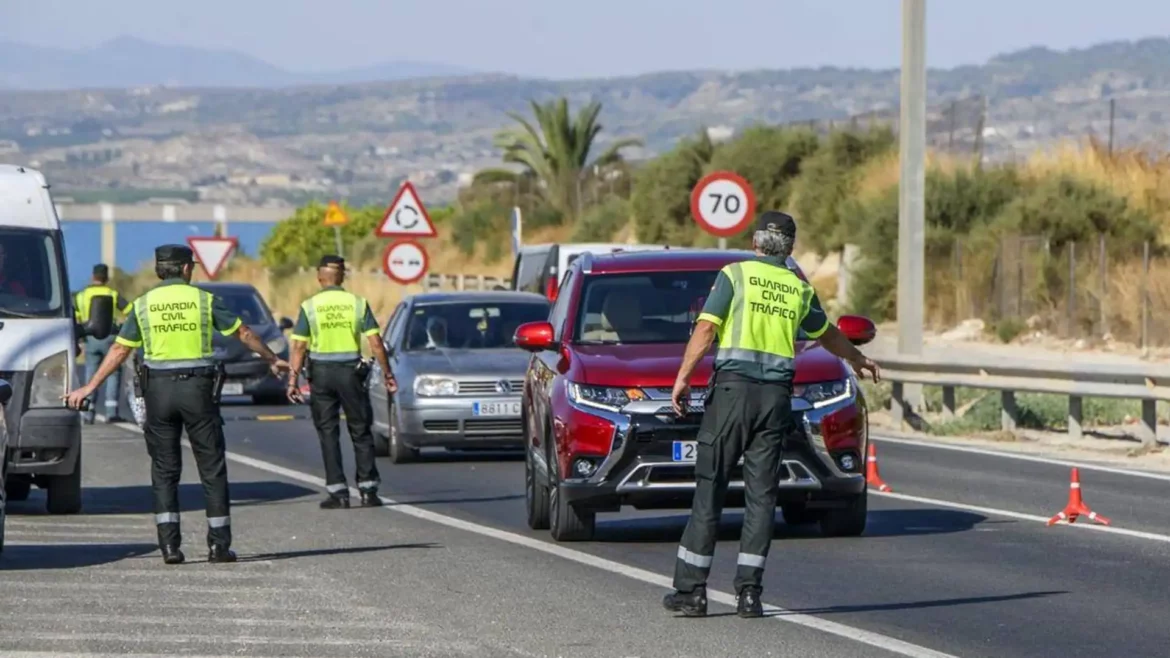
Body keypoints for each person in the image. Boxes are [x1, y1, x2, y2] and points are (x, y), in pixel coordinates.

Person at [662, 211, 881, 618]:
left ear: (755, 242)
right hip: (775, 399)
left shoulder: (735, 275)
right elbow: (827, 332)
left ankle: (692, 592)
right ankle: (750, 594)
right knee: (761, 496)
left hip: (732, 395)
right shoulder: (797, 287)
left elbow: (707, 329)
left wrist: (682, 378)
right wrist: (857, 357)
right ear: (791, 247)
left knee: (710, 488)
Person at [65, 244, 290, 565]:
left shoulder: (143, 305)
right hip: (199, 390)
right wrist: (272, 358)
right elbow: (243, 332)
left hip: (158, 392)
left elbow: (119, 351)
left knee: (164, 470)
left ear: (160, 270)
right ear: (186, 269)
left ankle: (170, 547)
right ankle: (218, 546)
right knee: (211, 468)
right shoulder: (204, 300)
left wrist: (89, 386)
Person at [286, 255, 397, 509]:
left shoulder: (310, 305)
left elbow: (299, 345)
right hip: (351, 374)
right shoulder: (357, 303)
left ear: (319, 277)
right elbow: (376, 343)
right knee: (360, 429)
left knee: (328, 432)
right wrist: (387, 373)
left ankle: (338, 493)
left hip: (321, 375)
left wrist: (292, 379)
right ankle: (368, 490)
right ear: (342, 277)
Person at [74, 263, 132, 424]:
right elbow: (130, 310)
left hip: (90, 338)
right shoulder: (112, 294)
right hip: (110, 337)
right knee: (113, 371)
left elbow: (76, 317)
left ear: (93, 276)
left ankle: (88, 412)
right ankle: (111, 412)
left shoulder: (81, 295)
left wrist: (80, 339)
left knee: (91, 373)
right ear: (106, 278)